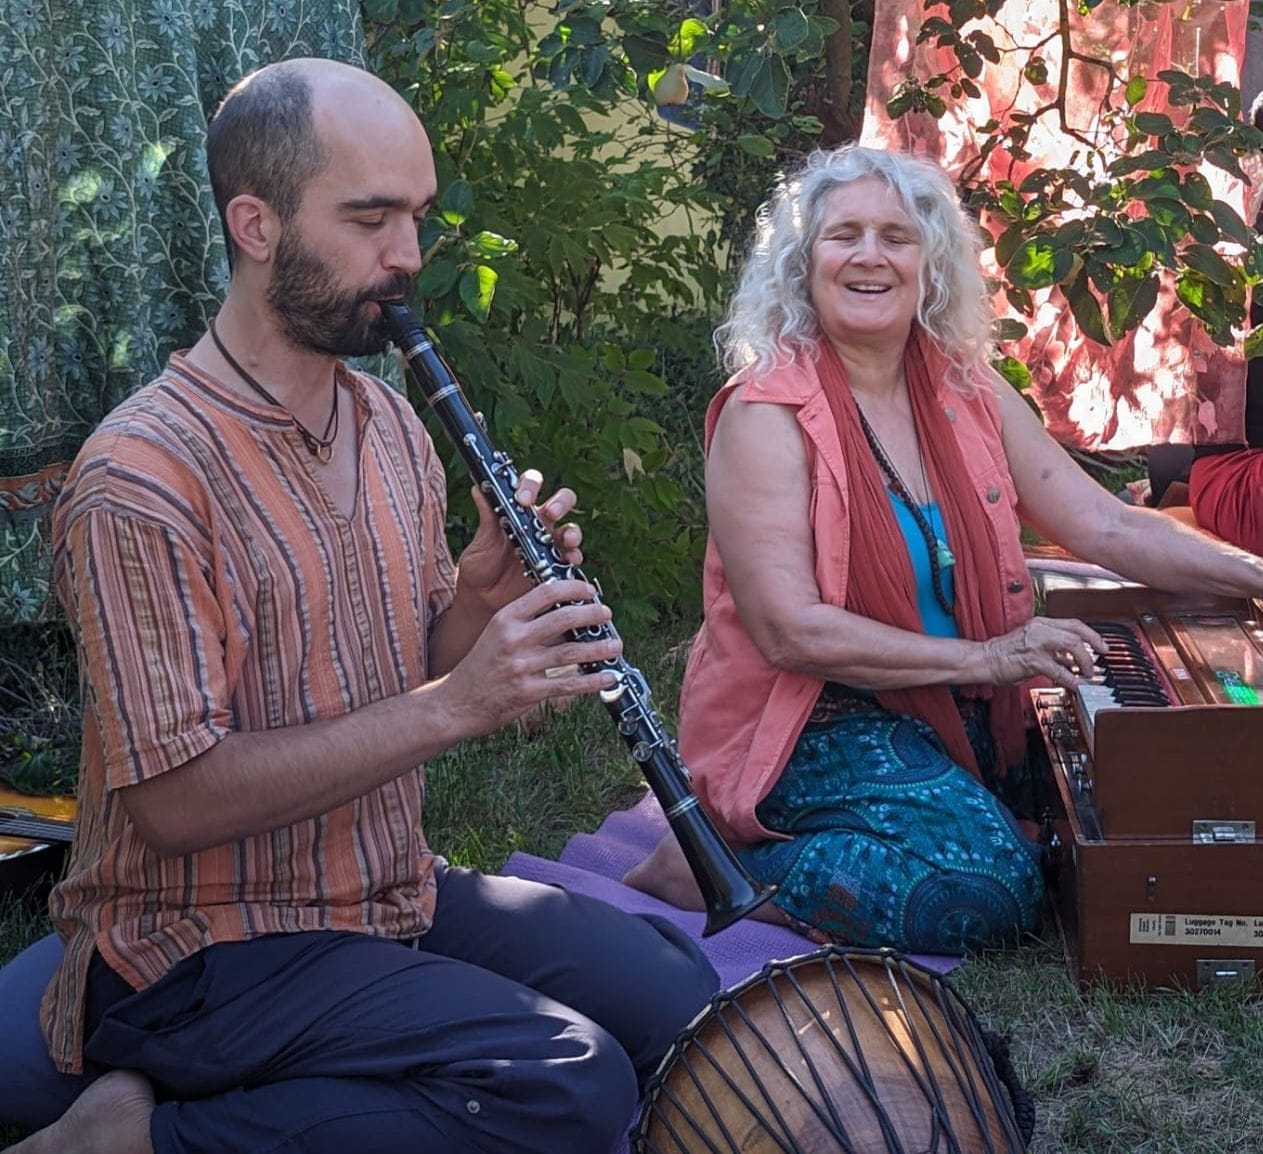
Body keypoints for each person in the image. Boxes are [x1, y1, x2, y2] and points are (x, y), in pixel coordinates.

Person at [1, 58, 719, 1154]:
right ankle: (129, 1135)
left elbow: (406, 660)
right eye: (371, 218)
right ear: (256, 223)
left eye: (417, 217)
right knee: (567, 1079)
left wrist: (479, 598)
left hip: (381, 889)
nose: (408, 258)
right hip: (199, 948)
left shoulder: (385, 424)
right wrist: (456, 703)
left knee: (674, 985)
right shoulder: (142, 479)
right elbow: (177, 802)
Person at [624, 145, 1263, 956]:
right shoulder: (764, 415)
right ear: (801, 262)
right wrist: (992, 657)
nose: (868, 256)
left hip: (960, 696)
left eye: (895, 236)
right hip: (813, 715)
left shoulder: (966, 385)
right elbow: (790, 631)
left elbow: (1107, 528)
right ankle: (719, 871)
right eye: (842, 235)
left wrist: (1254, 577)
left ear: (929, 264)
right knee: (988, 889)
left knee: (1153, 783)